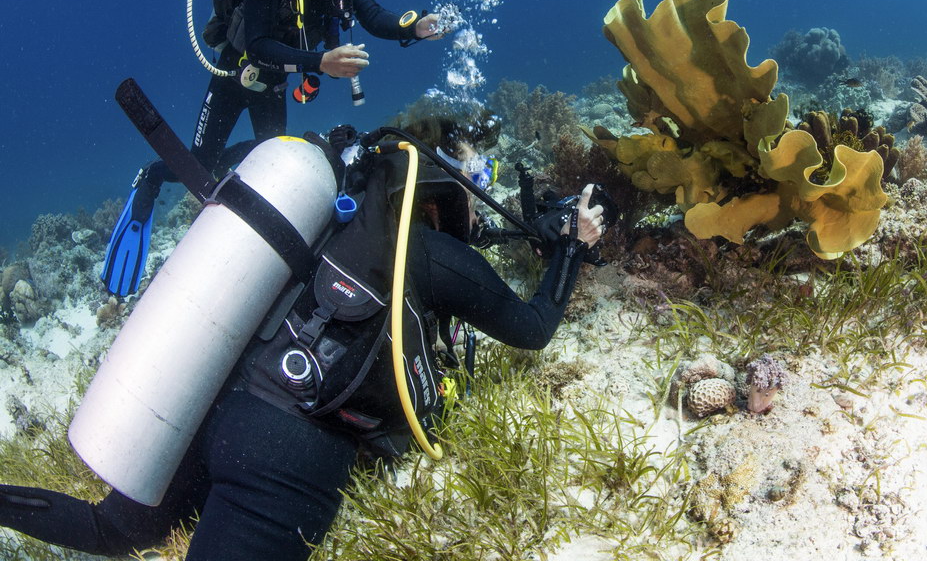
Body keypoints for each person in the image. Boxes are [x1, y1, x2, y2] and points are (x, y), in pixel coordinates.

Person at [0, 115, 607, 559]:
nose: (486, 189)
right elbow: (531, 329)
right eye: (481, 171)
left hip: (210, 403)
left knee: (115, 531)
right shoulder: (425, 253)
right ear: (444, 181)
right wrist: (574, 246)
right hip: (287, 449)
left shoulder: (333, 221)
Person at [101, 0, 444, 298]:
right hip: (237, 74)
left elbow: (374, 17)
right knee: (200, 164)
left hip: (278, 82)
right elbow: (260, 45)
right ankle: (150, 178)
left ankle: (256, 250)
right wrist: (321, 61)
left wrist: (416, 25)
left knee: (271, 162)